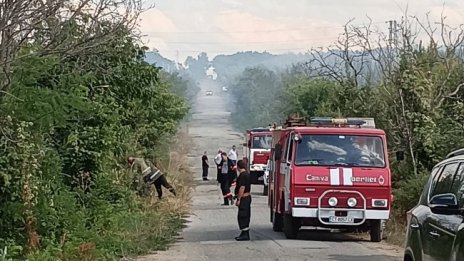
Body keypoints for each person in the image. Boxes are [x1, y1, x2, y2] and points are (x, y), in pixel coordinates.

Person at [234, 159, 252, 241]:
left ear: (238, 167)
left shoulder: (242, 175)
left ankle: (245, 234)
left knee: (242, 216)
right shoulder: (247, 174)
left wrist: (238, 199)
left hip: (244, 198)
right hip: (247, 197)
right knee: (246, 215)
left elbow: (242, 187)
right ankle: (243, 232)